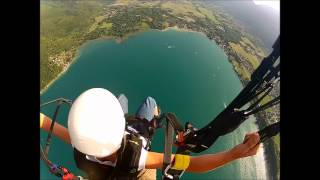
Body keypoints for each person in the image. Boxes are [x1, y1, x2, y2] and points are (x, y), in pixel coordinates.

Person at [40, 88, 261, 180]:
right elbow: (190, 164)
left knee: (128, 102)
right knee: (150, 102)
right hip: (136, 141)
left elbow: (46, 123)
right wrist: (234, 154)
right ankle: (153, 116)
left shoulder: (81, 144)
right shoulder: (139, 158)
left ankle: (150, 117)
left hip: (118, 148)